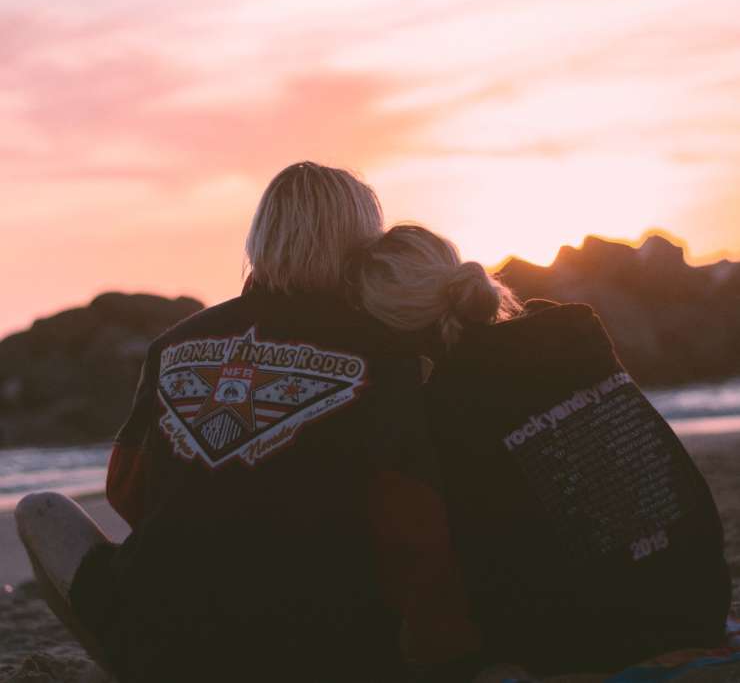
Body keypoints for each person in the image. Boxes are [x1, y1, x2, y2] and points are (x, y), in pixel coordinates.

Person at [15, 166, 480, 683]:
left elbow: (127, 491)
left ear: (259, 237)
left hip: (165, 647)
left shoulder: (173, 345)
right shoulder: (389, 354)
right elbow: (411, 519)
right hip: (332, 651)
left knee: (41, 510)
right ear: (363, 245)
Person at [346, 224, 732, 676]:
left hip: (604, 636)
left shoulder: (447, 402)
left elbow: (485, 557)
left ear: (394, 329)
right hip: (700, 594)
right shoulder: (571, 327)